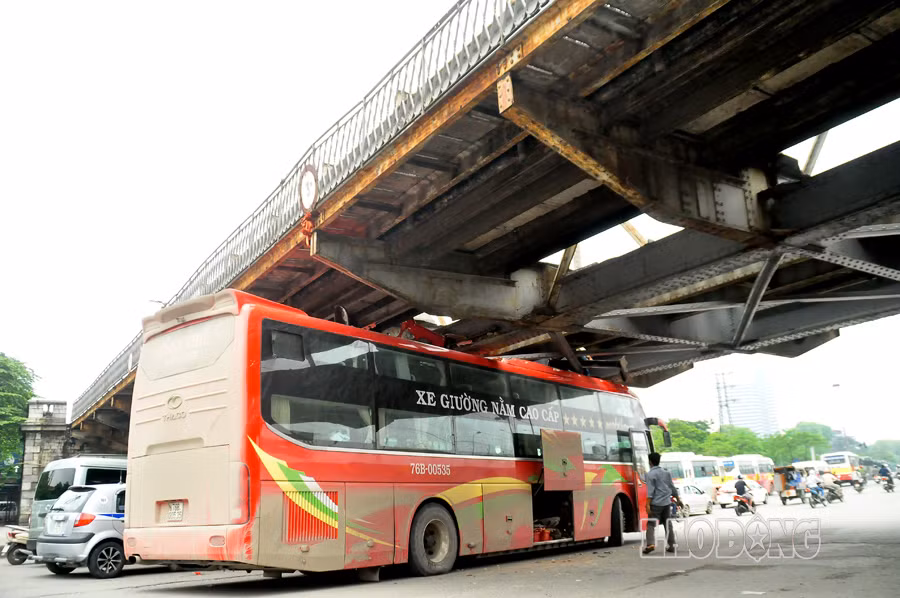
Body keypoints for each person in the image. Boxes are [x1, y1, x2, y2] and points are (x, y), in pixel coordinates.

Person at [644, 452, 679, 554]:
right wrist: (678, 499)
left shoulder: (650, 474)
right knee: (668, 524)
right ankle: (672, 546)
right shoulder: (666, 473)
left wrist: (647, 505)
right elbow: (672, 487)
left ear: (650, 462)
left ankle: (650, 544)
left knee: (651, 524)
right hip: (667, 503)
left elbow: (650, 491)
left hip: (656, 504)